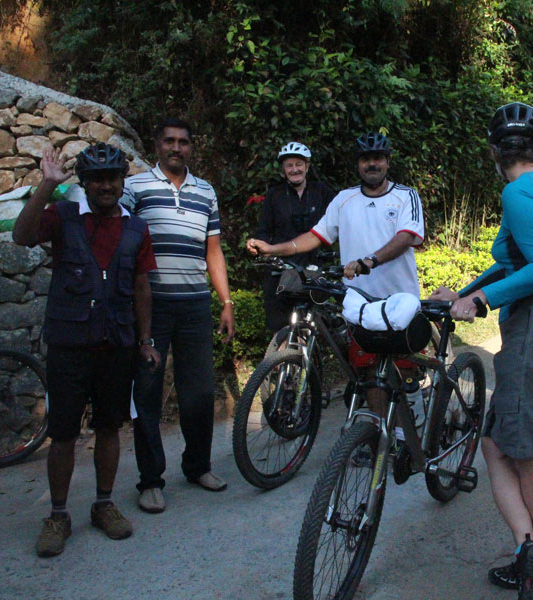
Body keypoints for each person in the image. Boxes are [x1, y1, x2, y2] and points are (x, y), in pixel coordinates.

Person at [430, 102, 533, 599]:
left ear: (493, 150)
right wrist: (466, 291)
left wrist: (482, 300)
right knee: (495, 442)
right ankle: (528, 550)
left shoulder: (518, 192)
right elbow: (515, 262)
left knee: (530, 455)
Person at [13, 143, 160, 557]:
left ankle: (104, 505)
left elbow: (141, 287)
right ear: (85, 183)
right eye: (96, 178)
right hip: (69, 345)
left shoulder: (136, 228)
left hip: (116, 344)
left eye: (112, 177)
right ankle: (58, 515)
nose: (105, 185)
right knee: (62, 434)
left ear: (122, 180)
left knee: (110, 427)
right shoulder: (63, 216)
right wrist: (47, 184)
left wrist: (146, 341)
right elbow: (22, 236)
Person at [246, 131, 424, 415]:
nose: (372, 164)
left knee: (402, 374)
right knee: (368, 373)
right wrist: (273, 249)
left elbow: (406, 237)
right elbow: (315, 236)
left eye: (377, 158)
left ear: (387, 162)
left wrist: (370, 260)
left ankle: (408, 436)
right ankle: (379, 433)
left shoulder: (406, 196)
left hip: (398, 300)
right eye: (366, 159)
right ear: (358, 164)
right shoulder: (344, 199)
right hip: (358, 305)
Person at [121, 117, 236, 514]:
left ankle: (197, 467)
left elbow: (213, 250)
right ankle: (150, 480)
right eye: (169, 140)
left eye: (183, 142)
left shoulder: (206, 191)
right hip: (150, 308)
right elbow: (122, 244)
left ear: (191, 147)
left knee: (201, 393)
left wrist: (225, 302)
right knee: (148, 394)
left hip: (193, 306)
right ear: (157, 144)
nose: (176, 147)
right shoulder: (134, 188)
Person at [254, 142, 334, 332]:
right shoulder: (275, 195)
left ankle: (306, 360)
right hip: (281, 270)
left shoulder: (321, 192)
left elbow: (339, 222)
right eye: (289, 165)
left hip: (313, 268)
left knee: (310, 326)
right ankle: (283, 360)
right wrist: (258, 246)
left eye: (299, 164)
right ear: (283, 169)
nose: (294, 169)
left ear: (307, 166)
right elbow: (263, 230)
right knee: (280, 327)